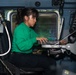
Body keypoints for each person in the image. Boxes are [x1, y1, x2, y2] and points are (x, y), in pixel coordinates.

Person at [10, 8, 56, 75]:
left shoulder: (30, 30)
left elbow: (39, 39)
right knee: (51, 63)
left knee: (48, 59)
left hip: (25, 55)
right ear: (26, 18)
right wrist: (35, 39)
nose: (35, 21)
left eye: (36, 18)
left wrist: (57, 42)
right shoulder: (20, 29)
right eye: (33, 18)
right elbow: (22, 46)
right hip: (18, 57)